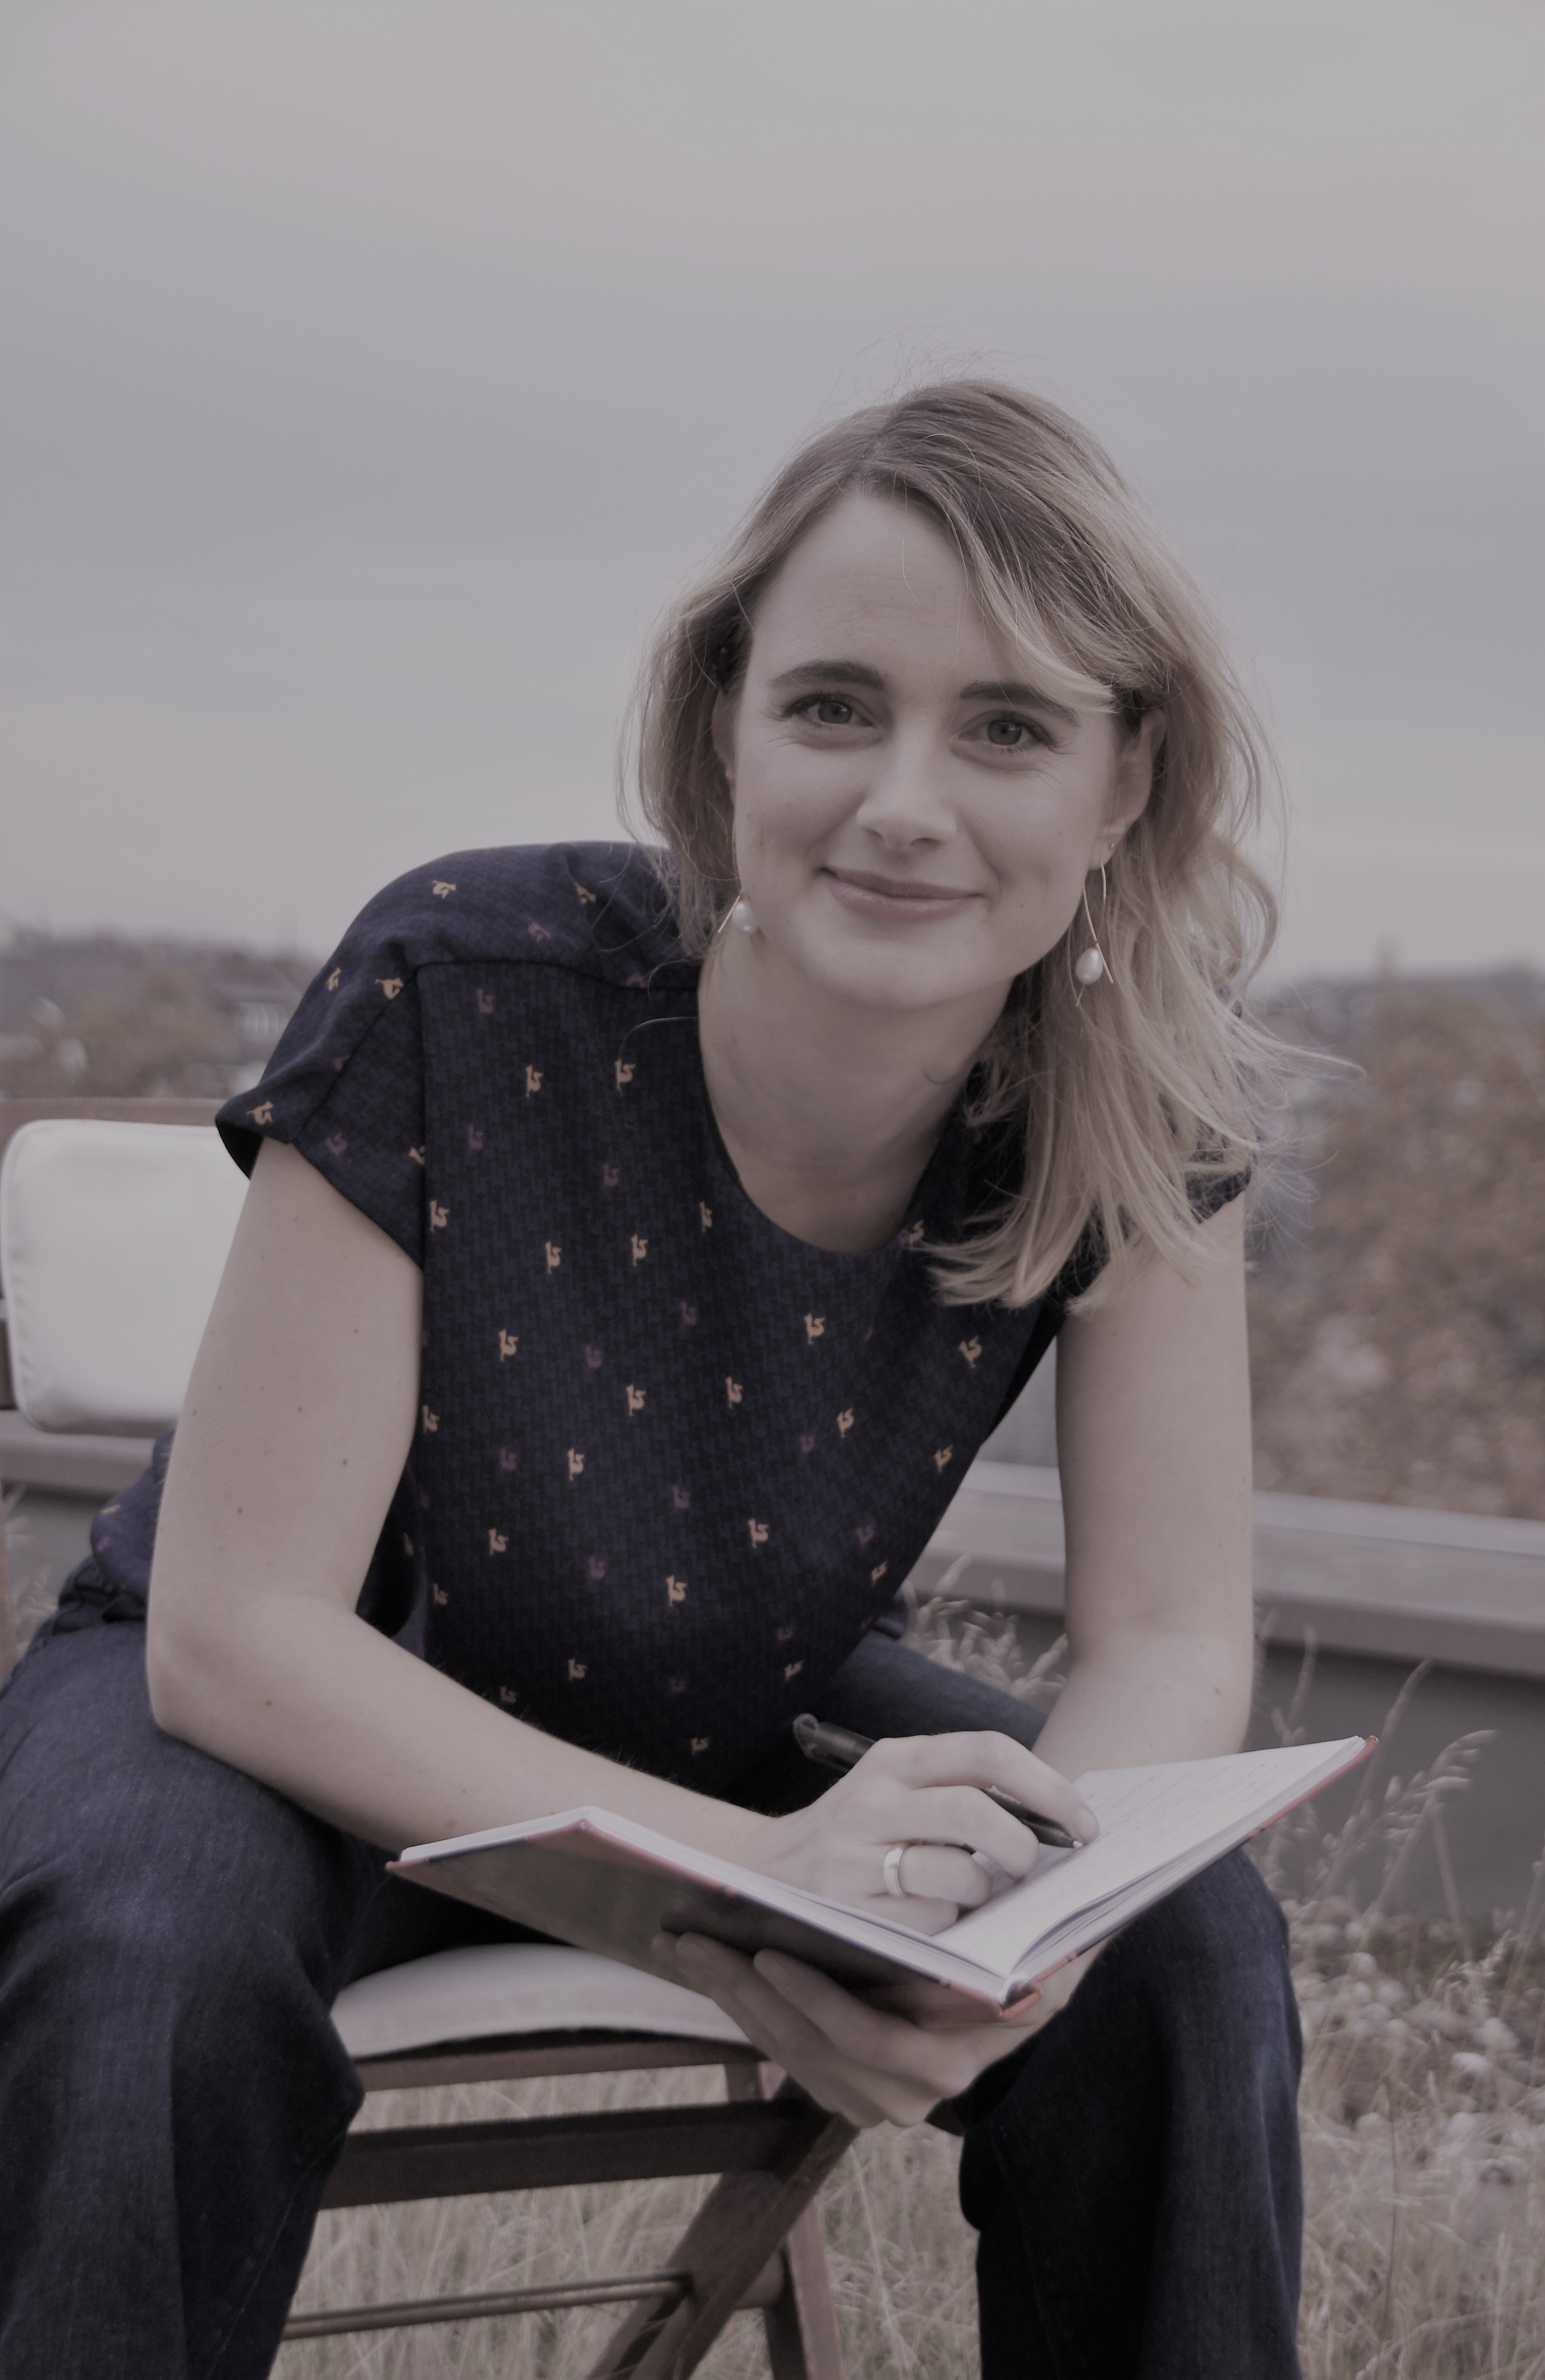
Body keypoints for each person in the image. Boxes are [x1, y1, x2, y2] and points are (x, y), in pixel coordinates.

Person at [0, 380, 1302, 2379]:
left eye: (1009, 727)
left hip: (719, 1698)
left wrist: (1021, 1934)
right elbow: (237, 1635)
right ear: (724, 730)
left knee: (1182, 1940)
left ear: (1124, 783)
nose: (905, 802)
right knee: (143, 1957)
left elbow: (1170, 1640)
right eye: (835, 705)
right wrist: (758, 1882)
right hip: (282, 1712)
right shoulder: (464, 974)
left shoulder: (1139, 1111)